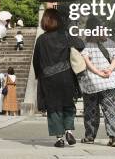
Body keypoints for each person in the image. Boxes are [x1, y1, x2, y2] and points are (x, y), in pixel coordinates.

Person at [33, 8, 85, 148]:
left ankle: (59, 138)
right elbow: (81, 45)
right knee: (68, 105)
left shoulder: (41, 39)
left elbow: (36, 61)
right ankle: (69, 130)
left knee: (54, 108)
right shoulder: (65, 36)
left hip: (48, 79)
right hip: (66, 76)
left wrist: (39, 76)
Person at [78, 16, 115, 147]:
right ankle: (113, 137)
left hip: (92, 84)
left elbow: (86, 62)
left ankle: (90, 136)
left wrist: (97, 72)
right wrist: (109, 70)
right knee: (110, 110)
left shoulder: (85, 45)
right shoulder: (110, 43)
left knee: (91, 111)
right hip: (109, 82)